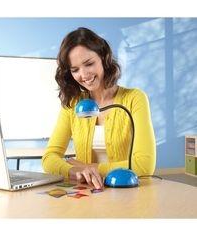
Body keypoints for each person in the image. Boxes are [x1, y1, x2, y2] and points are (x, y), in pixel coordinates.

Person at [42, 27, 156, 189]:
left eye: (89, 64)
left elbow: (144, 166)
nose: (84, 75)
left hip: (125, 192)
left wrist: (88, 167)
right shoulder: (73, 104)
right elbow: (49, 158)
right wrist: (74, 171)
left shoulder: (135, 99)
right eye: (75, 70)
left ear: (103, 57)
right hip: (88, 193)